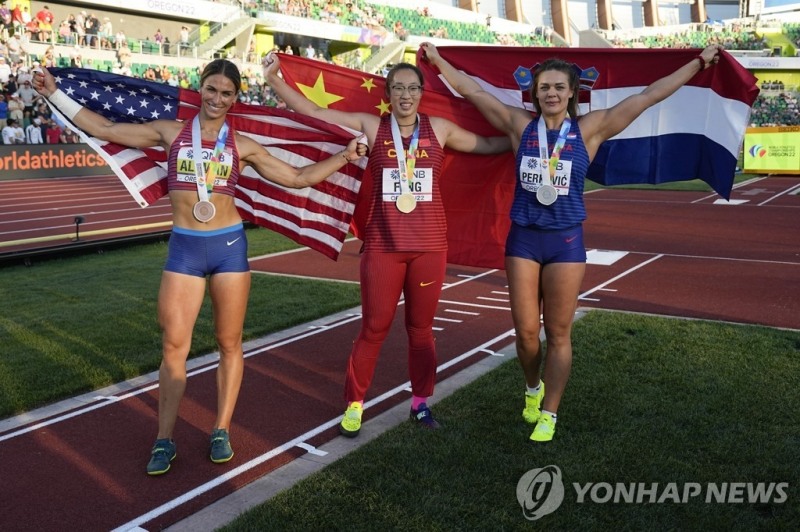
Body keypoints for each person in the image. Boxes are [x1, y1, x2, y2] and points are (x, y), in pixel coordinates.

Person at [32, 58, 367, 475]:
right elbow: (105, 129)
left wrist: (344, 157)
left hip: (228, 248)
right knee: (174, 347)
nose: (217, 99)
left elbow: (297, 179)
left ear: (235, 98)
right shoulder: (171, 132)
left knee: (230, 343)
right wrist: (53, 93)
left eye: (227, 93)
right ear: (201, 88)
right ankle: (164, 439)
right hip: (185, 249)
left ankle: (221, 428)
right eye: (212, 89)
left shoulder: (242, 145)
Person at [420, 42, 724, 442]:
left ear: (572, 93)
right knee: (526, 333)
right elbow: (472, 92)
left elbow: (649, 95)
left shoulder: (590, 128)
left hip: (565, 243)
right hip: (523, 242)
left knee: (558, 333)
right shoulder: (518, 125)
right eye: (544, 87)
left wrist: (698, 64)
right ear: (535, 93)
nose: (551, 93)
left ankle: (550, 413)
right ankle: (533, 389)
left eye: (559, 87)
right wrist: (439, 61)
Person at [264, 53, 510, 437]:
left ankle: (420, 402)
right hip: (382, 247)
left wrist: (532, 134)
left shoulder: (440, 129)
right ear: (389, 93)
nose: (406, 95)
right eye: (398, 88)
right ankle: (354, 405)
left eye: (412, 88)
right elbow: (313, 111)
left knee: (421, 330)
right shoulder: (371, 126)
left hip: (429, 248)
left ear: (421, 92)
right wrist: (275, 81)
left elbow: (492, 145)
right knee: (373, 329)